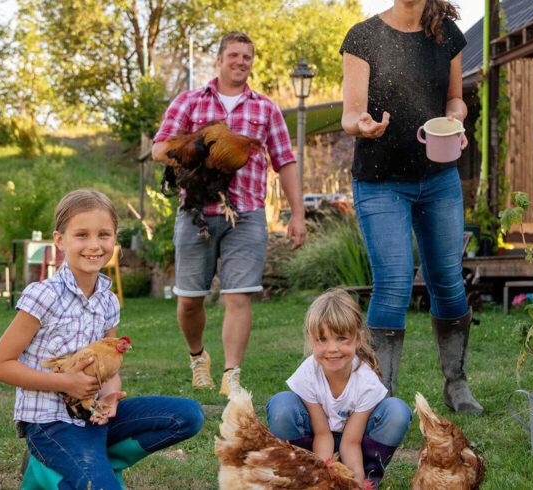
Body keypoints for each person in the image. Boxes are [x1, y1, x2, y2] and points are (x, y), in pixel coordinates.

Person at [0, 189, 204, 488]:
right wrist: (65, 383)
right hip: (50, 423)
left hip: (92, 418)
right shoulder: (43, 296)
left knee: (188, 415)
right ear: (60, 240)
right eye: (82, 235)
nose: (94, 245)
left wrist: (110, 396)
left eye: (104, 234)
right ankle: (51, 464)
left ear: (115, 240)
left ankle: (91, 459)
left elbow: (109, 368)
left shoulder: (108, 301)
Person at [340, 0, 483, 414]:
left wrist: (456, 119)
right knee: (394, 283)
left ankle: (456, 385)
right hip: (381, 182)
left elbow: (456, 100)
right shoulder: (363, 37)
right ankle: (378, 398)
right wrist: (361, 125)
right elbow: (350, 113)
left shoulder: (447, 34)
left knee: (449, 282)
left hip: (438, 178)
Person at [152, 31, 306, 397]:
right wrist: (194, 149)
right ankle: (197, 357)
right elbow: (159, 148)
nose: (241, 62)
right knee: (189, 299)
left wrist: (296, 213)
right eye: (234, 55)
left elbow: (285, 162)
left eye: (247, 57)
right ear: (219, 60)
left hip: (248, 214)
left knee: (238, 295)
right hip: (196, 211)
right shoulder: (189, 102)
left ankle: (231, 375)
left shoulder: (265, 109)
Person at [266, 289, 412, 488]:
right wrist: (323, 477)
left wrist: (357, 478)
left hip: (355, 441)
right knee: (281, 405)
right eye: (322, 339)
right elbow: (322, 434)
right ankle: (301, 475)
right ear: (311, 340)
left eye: (341, 338)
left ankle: (368, 478)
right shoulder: (308, 373)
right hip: (318, 439)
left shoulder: (366, 381)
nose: (332, 348)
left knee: (397, 411)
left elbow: (351, 442)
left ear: (358, 339)